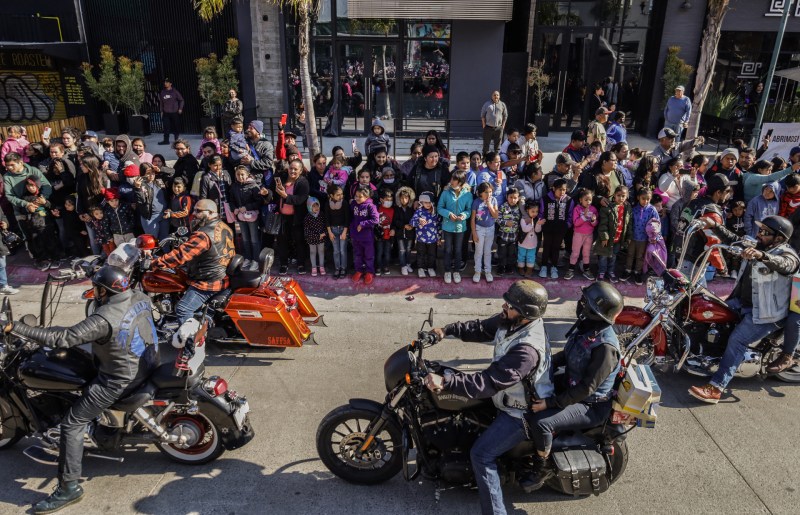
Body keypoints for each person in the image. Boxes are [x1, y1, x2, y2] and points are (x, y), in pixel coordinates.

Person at [7, 264, 156, 514]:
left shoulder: (104, 317)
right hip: (144, 361)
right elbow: (73, 333)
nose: (94, 292)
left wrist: (17, 328)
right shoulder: (139, 296)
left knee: (72, 423)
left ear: (106, 291)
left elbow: (62, 339)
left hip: (118, 379)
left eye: (97, 288)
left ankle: (69, 488)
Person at [422, 280, 552, 515]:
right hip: (504, 397)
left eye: (510, 305)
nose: (504, 306)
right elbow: (481, 328)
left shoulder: (526, 351)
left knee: (481, 455)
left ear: (525, 313)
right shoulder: (512, 321)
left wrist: (447, 381)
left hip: (519, 412)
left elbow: (488, 382)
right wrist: (446, 330)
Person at [522, 281, 623, 492]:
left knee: (541, 422)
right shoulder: (587, 328)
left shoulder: (605, 347)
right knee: (525, 389)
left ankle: (542, 467)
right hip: (571, 384)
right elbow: (566, 357)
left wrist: (549, 403)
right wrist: (539, 362)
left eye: (585, 302)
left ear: (595, 311)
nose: (580, 304)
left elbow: (587, 388)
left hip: (590, 404)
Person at [689, 215, 800, 403]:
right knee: (706, 311)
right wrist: (714, 225)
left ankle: (716, 387)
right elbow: (733, 239)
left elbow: (785, 265)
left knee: (737, 340)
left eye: (765, 232)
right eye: (760, 230)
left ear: (779, 238)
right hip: (742, 303)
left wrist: (762, 256)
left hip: (766, 313)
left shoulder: (787, 254)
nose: (759, 234)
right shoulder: (757, 245)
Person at [150, 199, 234, 324]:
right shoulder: (224, 226)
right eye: (194, 210)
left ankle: (190, 340)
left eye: (198, 211)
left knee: (183, 309)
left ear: (211, 213)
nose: (194, 213)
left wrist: (155, 263)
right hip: (220, 274)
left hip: (207, 281)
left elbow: (180, 255)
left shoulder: (203, 235)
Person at [674, 174, 736, 284]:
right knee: (690, 297)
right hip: (694, 262)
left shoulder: (693, 202)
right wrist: (722, 268)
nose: (729, 195)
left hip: (681, 255)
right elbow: (712, 245)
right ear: (718, 193)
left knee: (697, 293)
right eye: (727, 191)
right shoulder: (711, 212)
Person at [3, 152, 53, 268]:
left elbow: (46, 185)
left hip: (40, 208)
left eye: (12, 165)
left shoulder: (33, 170)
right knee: (30, 237)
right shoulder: (7, 177)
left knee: (46, 232)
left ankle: (52, 255)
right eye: (7, 165)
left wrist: (43, 199)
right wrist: (26, 204)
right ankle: (39, 259)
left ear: (20, 162)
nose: (9, 168)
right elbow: (9, 196)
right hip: (21, 212)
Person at [275, 159, 310, 274]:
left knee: (299, 241)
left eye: (296, 169)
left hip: (296, 218)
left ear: (300, 171)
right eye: (291, 168)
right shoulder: (282, 178)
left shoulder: (303, 182)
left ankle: (301, 264)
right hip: (282, 216)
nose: (293, 171)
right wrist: (267, 193)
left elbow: (300, 199)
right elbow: (273, 194)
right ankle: (284, 264)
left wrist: (286, 196)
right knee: (282, 242)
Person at [437, 170, 472, 283]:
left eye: (454, 179)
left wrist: (463, 215)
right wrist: (448, 214)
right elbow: (439, 208)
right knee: (447, 250)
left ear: (461, 182)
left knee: (458, 250)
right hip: (447, 227)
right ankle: (447, 271)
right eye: (452, 178)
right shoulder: (445, 193)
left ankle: (456, 271)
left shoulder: (467, 194)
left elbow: (469, 210)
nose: (451, 181)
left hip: (460, 227)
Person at [594, 185, 631, 282]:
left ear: (627, 196)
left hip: (618, 239)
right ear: (614, 195)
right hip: (607, 239)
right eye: (619, 195)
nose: (621, 198)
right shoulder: (607, 208)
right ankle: (601, 272)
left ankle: (610, 272)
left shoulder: (627, 208)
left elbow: (629, 224)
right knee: (603, 256)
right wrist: (604, 237)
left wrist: (629, 237)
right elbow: (603, 224)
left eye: (623, 196)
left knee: (613, 256)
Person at [539, 178, 573, 279]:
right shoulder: (545, 199)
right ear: (554, 188)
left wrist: (567, 225)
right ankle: (544, 266)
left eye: (564, 189)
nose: (562, 192)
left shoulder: (569, 200)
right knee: (546, 247)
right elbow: (541, 212)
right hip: (547, 229)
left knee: (556, 248)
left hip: (561, 230)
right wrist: (541, 222)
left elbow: (570, 215)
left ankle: (554, 267)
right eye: (560, 189)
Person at [349, 185, 379, 284]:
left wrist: (363, 224)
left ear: (367, 197)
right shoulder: (354, 204)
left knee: (369, 255)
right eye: (356, 196)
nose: (357, 198)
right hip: (356, 237)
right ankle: (359, 270)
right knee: (357, 255)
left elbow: (376, 220)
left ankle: (369, 272)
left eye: (360, 196)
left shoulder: (370, 206)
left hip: (367, 238)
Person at [566, 188, 598, 280]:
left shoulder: (593, 209)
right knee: (575, 252)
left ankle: (586, 270)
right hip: (578, 234)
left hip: (589, 235)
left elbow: (595, 224)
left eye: (590, 200)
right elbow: (576, 223)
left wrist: (593, 220)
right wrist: (584, 216)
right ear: (580, 200)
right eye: (586, 200)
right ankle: (571, 270)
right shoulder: (577, 209)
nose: (588, 202)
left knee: (586, 253)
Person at [472, 182, 499, 283]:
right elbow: (473, 219)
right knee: (479, 251)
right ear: (480, 193)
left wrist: (489, 205)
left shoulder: (494, 200)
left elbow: (495, 215)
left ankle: (488, 271)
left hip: (490, 228)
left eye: (490, 192)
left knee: (488, 251)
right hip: (479, 228)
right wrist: (474, 233)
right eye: (486, 192)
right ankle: (477, 271)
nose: (489, 194)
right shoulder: (476, 202)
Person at [134, 163, 169, 240]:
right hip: (150, 217)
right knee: (152, 241)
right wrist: (138, 189)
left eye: (153, 172)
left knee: (165, 240)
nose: (151, 175)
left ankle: (166, 252)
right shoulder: (141, 185)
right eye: (148, 173)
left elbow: (172, 172)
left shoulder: (159, 181)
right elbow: (141, 200)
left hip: (164, 215)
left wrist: (161, 169)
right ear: (143, 174)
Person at [410, 192, 440, 278]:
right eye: (425, 202)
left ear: (432, 203)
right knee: (420, 254)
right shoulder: (419, 211)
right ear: (421, 202)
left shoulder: (435, 212)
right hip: (421, 239)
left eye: (429, 202)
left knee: (432, 254)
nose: (427, 204)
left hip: (433, 239)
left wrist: (439, 238)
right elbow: (412, 222)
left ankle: (430, 268)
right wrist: (418, 220)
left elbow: (439, 225)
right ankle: (420, 268)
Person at [495, 187, 522, 276]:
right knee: (502, 252)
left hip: (514, 236)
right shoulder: (503, 207)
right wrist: (506, 223)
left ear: (518, 198)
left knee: (511, 252)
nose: (513, 200)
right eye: (511, 197)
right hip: (503, 235)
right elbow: (497, 219)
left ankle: (509, 266)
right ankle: (501, 266)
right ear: (507, 197)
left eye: (515, 198)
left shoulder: (519, 209)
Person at [325, 184, 350, 279]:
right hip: (333, 230)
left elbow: (347, 219)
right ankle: (337, 268)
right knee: (336, 251)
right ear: (331, 195)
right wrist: (329, 232)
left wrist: (344, 232)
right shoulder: (327, 204)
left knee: (342, 250)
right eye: (338, 195)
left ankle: (343, 268)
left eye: (341, 194)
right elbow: (326, 219)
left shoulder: (344, 203)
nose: (341, 196)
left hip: (343, 229)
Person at [393, 186, 416, 276]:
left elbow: (415, 218)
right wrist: (403, 225)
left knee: (408, 249)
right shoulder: (397, 209)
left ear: (409, 198)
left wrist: (412, 225)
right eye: (402, 198)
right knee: (402, 250)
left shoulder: (412, 209)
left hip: (410, 233)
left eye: (406, 198)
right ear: (399, 199)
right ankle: (403, 266)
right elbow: (395, 221)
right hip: (400, 234)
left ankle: (408, 264)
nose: (404, 200)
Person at [518, 199, 543, 277]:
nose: (535, 213)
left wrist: (538, 224)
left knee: (531, 257)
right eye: (533, 211)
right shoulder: (523, 219)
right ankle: (521, 268)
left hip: (532, 244)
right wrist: (531, 224)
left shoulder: (537, 219)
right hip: (523, 243)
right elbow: (525, 229)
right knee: (521, 256)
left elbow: (537, 231)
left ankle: (529, 270)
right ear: (527, 210)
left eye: (536, 211)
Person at [304, 196, 327, 277]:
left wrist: (324, 233)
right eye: (313, 206)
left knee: (321, 252)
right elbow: (307, 230)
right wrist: (317, 235)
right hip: (312, 238)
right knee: (313, 252)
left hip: (321, 237)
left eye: (317, 205)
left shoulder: (321, 215)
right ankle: (314, 267)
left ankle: (321, 266)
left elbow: (325, 225)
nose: (316, 208)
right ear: (309, 206)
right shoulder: (307, 217)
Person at [158, 78, 184, 145]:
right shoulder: (162, 92)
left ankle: (176, 140)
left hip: (174, 112)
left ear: (170, 84)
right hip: (166, 113)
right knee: (166, 127)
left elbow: (181, 100)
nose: (165, 83)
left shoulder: (175, 92)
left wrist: (180, 108)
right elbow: (161, 103)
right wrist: (161, 111)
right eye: (165, 82)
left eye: (167, 82)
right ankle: (166, 141)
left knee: (176, 126)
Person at [375, 189, 395, 276]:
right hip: (379, 236)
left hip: (389, 236)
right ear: (381, 200)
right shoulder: (377, 208)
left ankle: (386, 266)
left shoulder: (393, 210)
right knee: (379, 252)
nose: (389, 202)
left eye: (391, 200)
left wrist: (393, 229)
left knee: (387, 253)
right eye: (387, 200)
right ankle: (378, 267)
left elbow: (394, 222)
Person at [481, 91, 508, 155]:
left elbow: (505, 115)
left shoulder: (502, 104)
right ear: (492, 96)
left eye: (497, 95)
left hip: (498, 128)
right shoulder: (487, 104)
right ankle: (485, 158)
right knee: (486, 144)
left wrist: (503, 125)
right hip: (488, 127)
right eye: (494, 95)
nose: (496, 96)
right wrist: (484, 125)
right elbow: (482, 115)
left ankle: (496, 157)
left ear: (499, 96)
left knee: (498, 145)